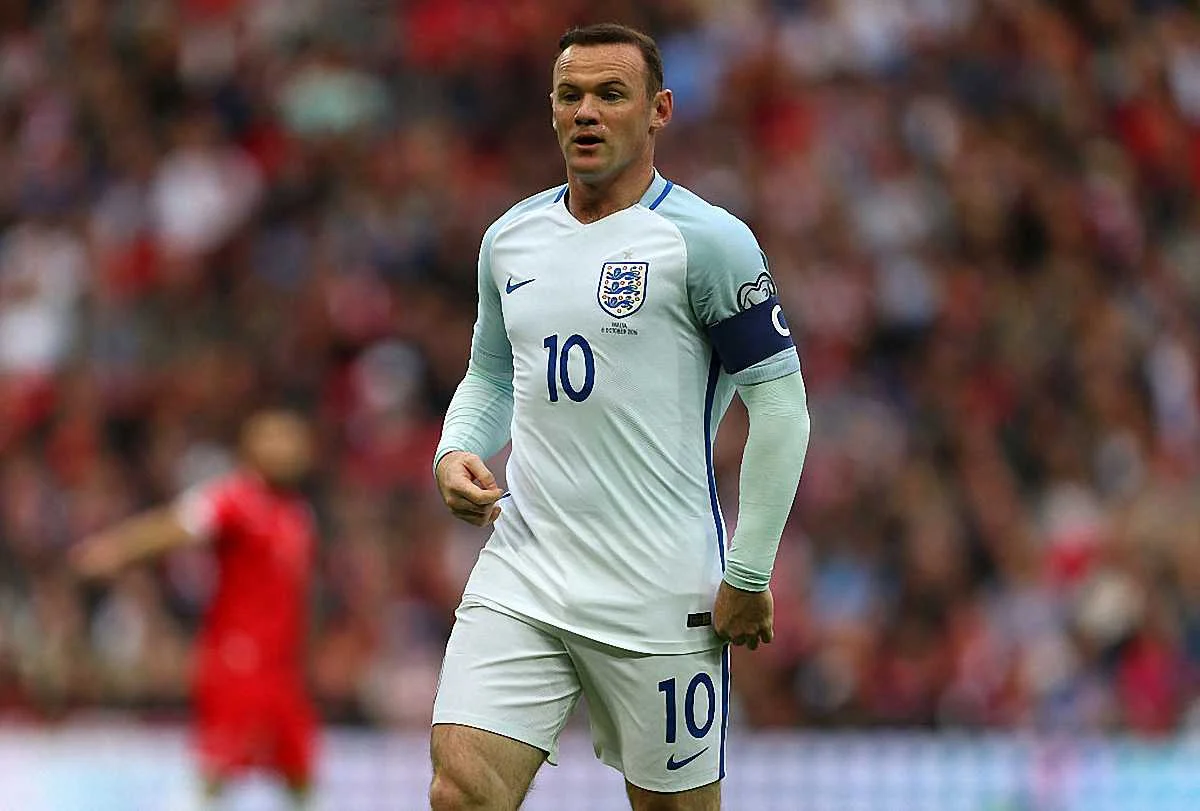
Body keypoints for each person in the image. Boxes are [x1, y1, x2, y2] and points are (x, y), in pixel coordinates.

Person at [431, 23, 811, 811]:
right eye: (570, 95)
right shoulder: (510, 238)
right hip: (526, 568)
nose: (587, 112)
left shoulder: (709, 242)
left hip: (660, 586)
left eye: (611, 94)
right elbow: (493, 374)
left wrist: (748, 571)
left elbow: (780, 404)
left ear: (658, 109)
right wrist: (457, 447)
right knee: (461, 792)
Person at [70, 409, 320, 811]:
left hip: (283, 670)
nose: (289, 448)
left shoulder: (297, 513)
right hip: (238, 661)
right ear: (251, 448)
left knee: (300, 778)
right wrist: (113, 550)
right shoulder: (234, 499)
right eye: (277, 438)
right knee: (215, 776)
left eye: (294, 439)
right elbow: (172, 527)